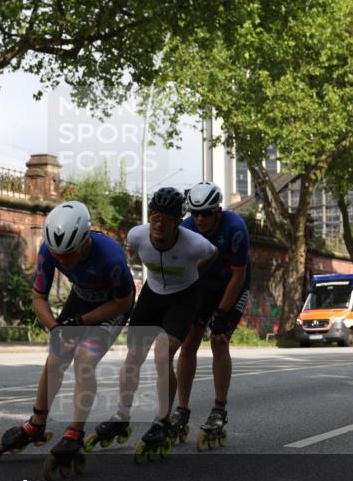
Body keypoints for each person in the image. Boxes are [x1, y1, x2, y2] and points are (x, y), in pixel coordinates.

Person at [0, 201, 135, 479]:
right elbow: (39, 298)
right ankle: (36, 423)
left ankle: (75, 431)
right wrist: (55, 328)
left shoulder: (110, 257)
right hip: (82, 298)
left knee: (84, 359)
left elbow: (123, 301)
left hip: (112, 306)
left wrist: (81, 322)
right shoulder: (49, 250)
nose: (63, 260)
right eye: (58, 254)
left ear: (85, 241)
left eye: (70, 254)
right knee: (56, 357)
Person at [86, 187, 217, 463]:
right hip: (152, 293)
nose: (158, 223)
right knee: (133, 355)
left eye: (166, 219)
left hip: (184, 297)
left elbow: (213, 253)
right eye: (155, 216)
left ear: (177, 223)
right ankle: (122, 415)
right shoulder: (137, 236)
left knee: (163, 354)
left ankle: (162, 421)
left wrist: (195, 274)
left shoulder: (195, 245)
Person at [169, 181, 251, 450]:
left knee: (218, 340)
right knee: (189, 341)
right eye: (195, 213)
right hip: (204, 284)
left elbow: (239, 275)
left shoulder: (235, 228)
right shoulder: (186, 229)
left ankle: (219, 409)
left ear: (218, 210)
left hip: (233, 283)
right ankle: (182, 409)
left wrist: (223, 312)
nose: (200, 218)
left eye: (206, 213)